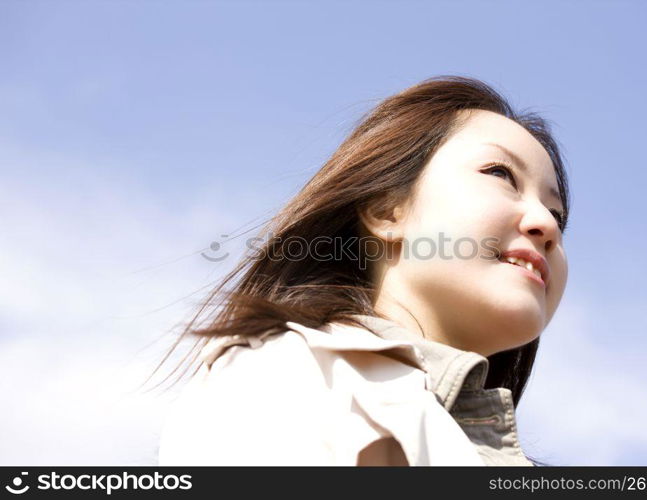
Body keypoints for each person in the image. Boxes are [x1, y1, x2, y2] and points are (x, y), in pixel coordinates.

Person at [154, 75, 570, 466]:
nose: (546, 224)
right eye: (500, 174)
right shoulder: (284, 378)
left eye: (556, 213)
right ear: (387, 210)